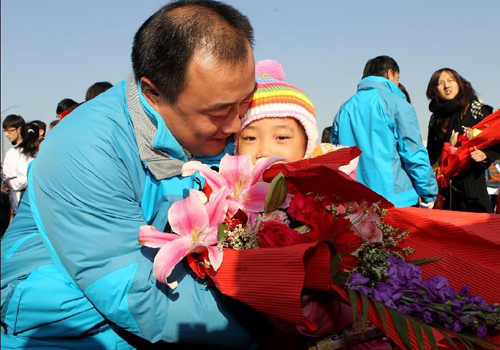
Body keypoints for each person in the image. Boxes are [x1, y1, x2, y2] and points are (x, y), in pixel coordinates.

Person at [1, 1, 268, 349]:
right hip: (60, 323)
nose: (235, 124)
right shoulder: (86, 145)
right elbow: (132, 290)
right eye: (218, 112)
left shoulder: (219, 135)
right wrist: (270, 321)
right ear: (153, 93)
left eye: (245, 102)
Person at [331, 55, 437, 208]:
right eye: (397, 78)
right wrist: (428, 192)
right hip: (394, 199)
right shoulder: (396, 103)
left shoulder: (344, 109)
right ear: (389, 73)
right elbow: (413, 151)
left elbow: (336, 156)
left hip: (353, 201)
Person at [426, 68, 499, 213]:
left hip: (472, 191)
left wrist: (485, 156)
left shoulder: (476, 109)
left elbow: (496, 140)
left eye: (450, 80)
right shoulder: (436, 118)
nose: (446, 86)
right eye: (440, 83)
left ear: (459, 83)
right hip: (445, 193)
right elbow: (431, 153)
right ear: (434, 90)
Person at [1, 122, 40, 216]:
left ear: (21, 134)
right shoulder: (43, 151)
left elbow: (23, 180)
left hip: (23, 202)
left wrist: (8, 183)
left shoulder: (19, 153)